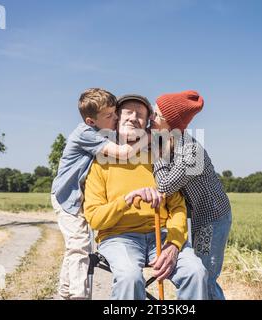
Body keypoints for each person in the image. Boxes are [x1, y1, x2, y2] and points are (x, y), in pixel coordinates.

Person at [83, 94, 208, 300]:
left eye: (140, 114)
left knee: (196, 272)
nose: (134, 117)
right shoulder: (100, 162)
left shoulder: (160, 157)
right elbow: (95, 218)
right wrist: (127, 200)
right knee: (130, 277)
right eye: (128, 112)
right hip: (118, 237)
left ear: (147, 123)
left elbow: (177, 207)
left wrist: (175, 244)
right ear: (116, 119)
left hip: (163, 234)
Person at [51, 88, 149, 299]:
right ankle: (79, 295)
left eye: (115, 113)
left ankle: (64, 293)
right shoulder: (85, 134)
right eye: (109, 116)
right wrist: (148, 136)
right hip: (67, 197)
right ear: (90, 121)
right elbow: (125, 153)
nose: (115, 118)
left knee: (74, 248)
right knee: (79, 246)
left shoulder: (102, 132)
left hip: (77, 196)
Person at [150, 90, 232, 300]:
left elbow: (165, 185)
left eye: (156, 114)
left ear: (171, 123)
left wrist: (157, 156)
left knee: (205, 278)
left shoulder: (191, 151)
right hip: (199, 218)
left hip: (211, 221)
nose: (151, 117)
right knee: (203, 276)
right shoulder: (172, 142)